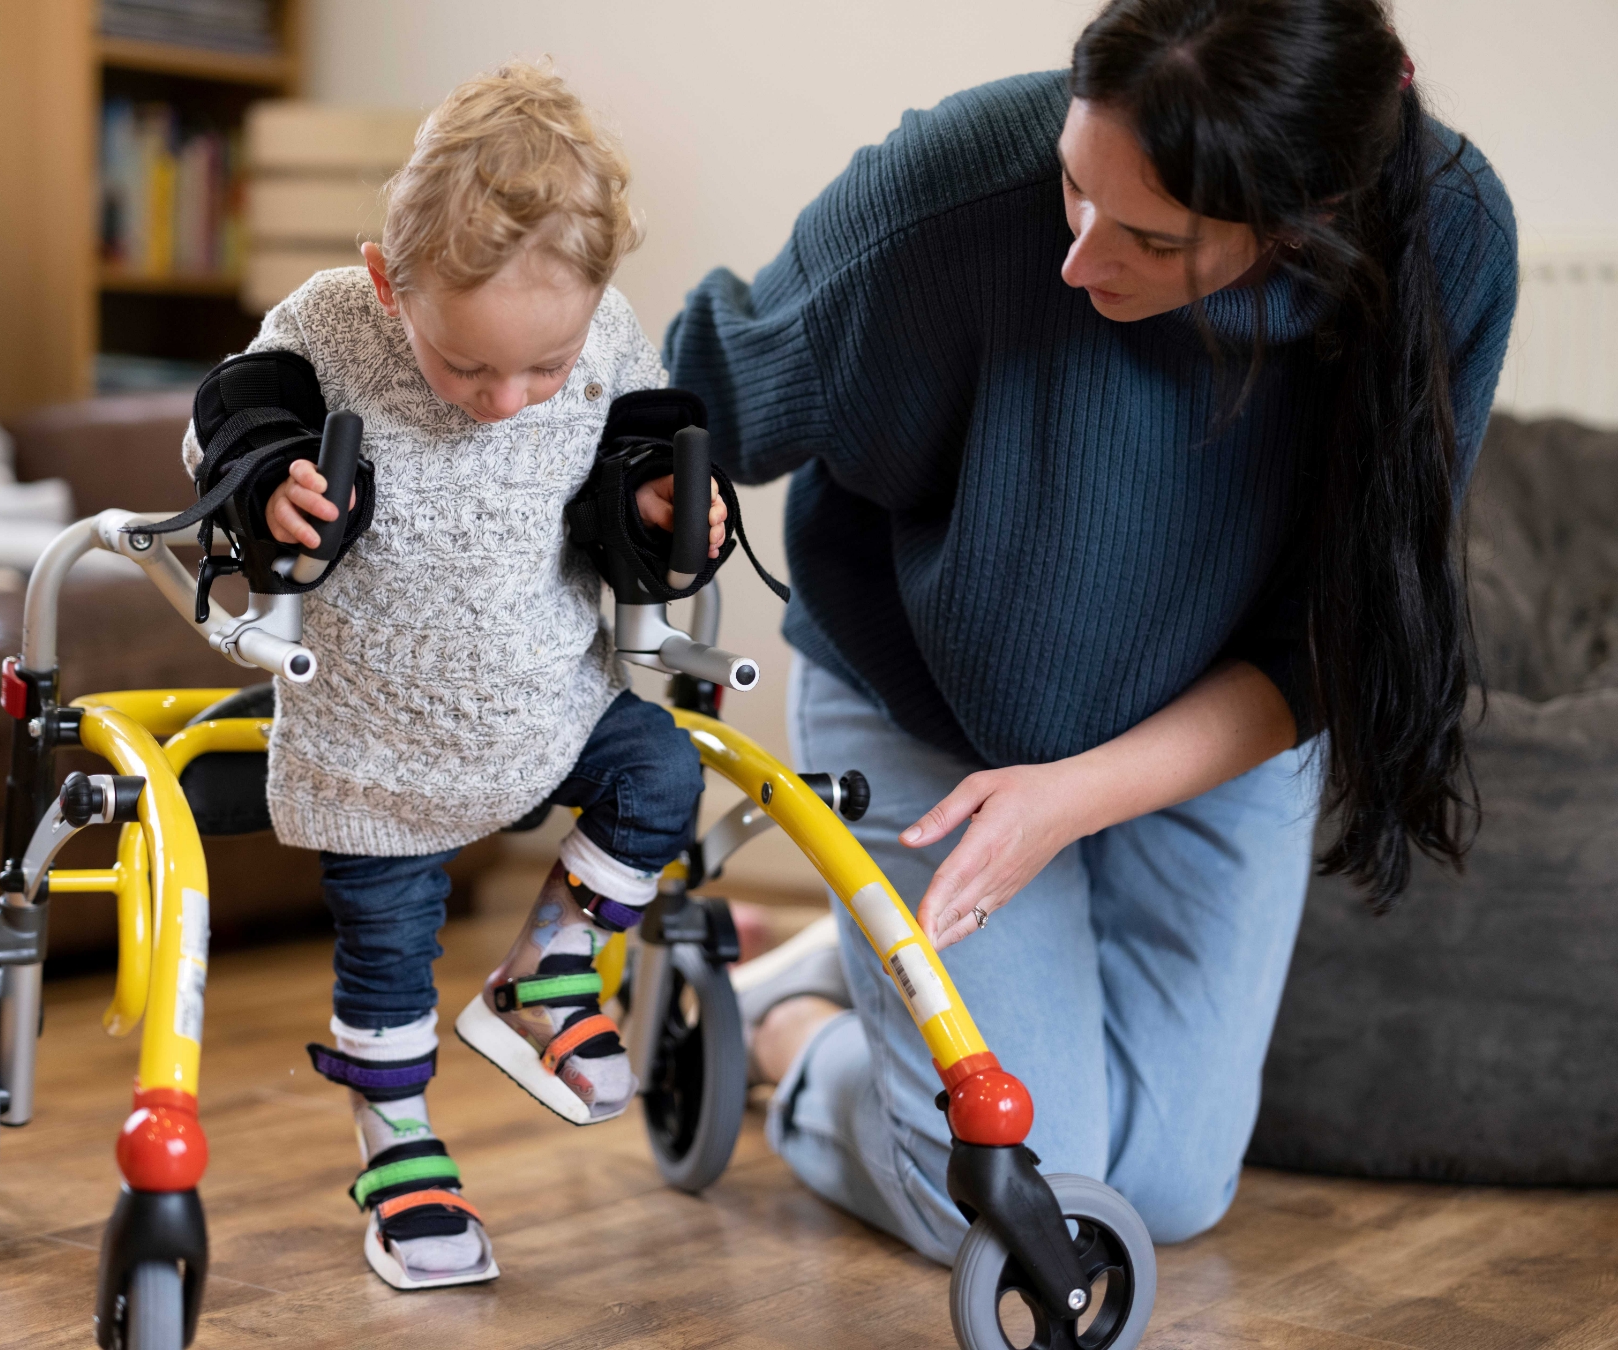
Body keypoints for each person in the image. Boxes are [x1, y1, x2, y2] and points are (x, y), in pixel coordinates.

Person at [668, 0, 1517, 1264]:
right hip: (928, 707)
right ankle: (798, 1047)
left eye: (1150, 237)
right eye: (1073, 186)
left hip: (1209, 724)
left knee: (1169, 1192)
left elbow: (1329, 643)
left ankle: (804, 993)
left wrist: (1073, 799)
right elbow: (699, 397)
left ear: (1303, 228)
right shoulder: (956, 184)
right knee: (1037, 1208)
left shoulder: (1447, 238)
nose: (1076, 258)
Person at [185, 61, 723, 1290]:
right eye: (469, 369)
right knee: (386, 950)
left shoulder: (602, 341)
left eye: (542, 368)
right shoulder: (330, 322)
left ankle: (550, 964)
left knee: (665, 768)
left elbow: (631, 470)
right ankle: (400, 1148)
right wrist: (273, 477)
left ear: (592, 302)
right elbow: (235, 412)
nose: (507, 402)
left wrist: (657, 509)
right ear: (390, 282)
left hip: (550, 703)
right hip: (376, 740)